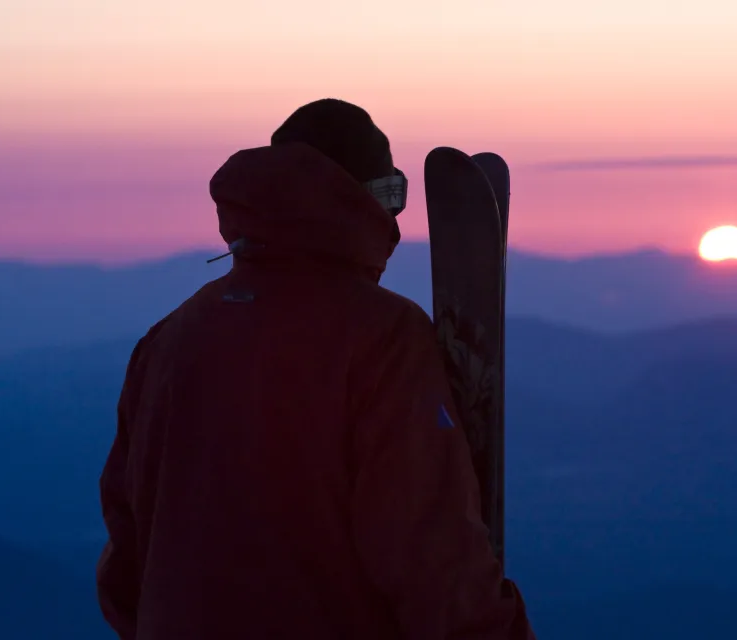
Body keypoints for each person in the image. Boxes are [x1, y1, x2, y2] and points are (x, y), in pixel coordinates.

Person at [96, 98, 535, 639]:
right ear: (357, 202)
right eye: (387, 196)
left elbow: (125, 556)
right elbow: (433, 558)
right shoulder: (380, 339)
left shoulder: (167, 341)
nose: (393, 219)